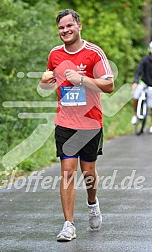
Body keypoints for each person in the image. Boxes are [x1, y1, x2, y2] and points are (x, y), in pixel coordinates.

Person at [39, 9, 114, 242]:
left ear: (79, 26)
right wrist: (44, 82)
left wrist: (81, 79)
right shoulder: (54, 54)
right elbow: (50, 86)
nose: (65, 30)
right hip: (65, 121)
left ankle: (92, 203)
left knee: (88, 172)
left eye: (69, 26)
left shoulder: (93, 53)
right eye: (61, 27)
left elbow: (109, 85)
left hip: (90, 123)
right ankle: (68, 225)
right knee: (67, 171)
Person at [131, 41, 152, 133]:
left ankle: (151, 124)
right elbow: (138, 70)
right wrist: (135, 81)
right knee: (136, 95)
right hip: (143, 83)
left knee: (151, 105)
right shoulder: (145, 60)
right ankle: (135, 114)